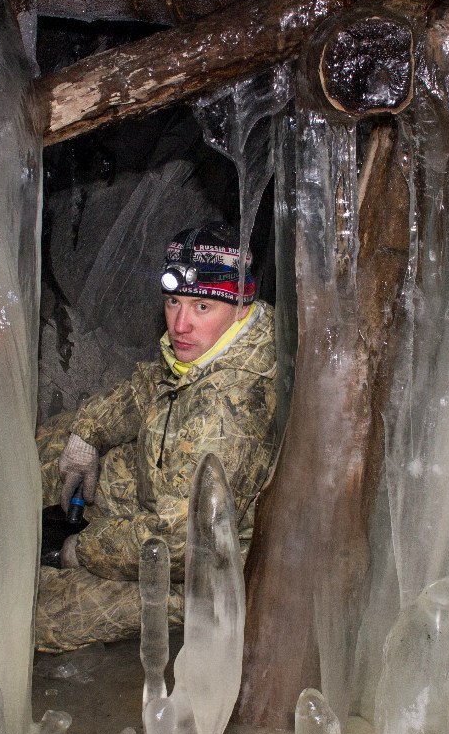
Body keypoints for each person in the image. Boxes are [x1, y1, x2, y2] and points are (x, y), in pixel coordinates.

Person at [33, 222, 278, 652]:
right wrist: (87, 434)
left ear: (240, 305)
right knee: (51, 446)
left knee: (42, 613)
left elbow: (178, 542)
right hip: (157, 481)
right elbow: (147, 386)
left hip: (200, 572)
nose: (180, 324)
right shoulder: (211, 345)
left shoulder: (231, 411)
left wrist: (80, 551)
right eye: (172, 302)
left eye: (202, 307)